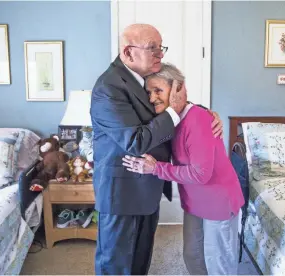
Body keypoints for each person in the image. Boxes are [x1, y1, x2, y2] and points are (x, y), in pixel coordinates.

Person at [91, 23, 223, 275]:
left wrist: (204, 114)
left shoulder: (143, 77)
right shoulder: (108, 87)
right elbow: (135, 141)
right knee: (116, 265)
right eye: (153, 48)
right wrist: (175, 110)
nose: (160, 55)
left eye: (160, 48)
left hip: (147, 186)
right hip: (123, 192)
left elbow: (167, 103)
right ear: (128, 53)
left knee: (140, 262)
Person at [122, 63, 244, 275]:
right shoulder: (170, 120)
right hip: (194, 200)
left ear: (178, 88)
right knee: (192, 255)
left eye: (158, 90)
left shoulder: (198, 119)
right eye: (149, 92)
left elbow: (200, 173)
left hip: (218, 200)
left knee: (219, 263)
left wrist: (155, 168)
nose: (152, 98)